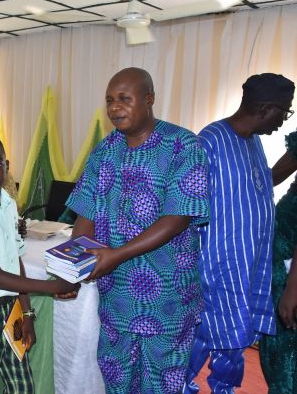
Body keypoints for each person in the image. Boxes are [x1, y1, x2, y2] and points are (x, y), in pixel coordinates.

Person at [66, 67, 209, 394]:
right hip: (116, 299)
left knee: (161, 384)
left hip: (168, 300)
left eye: (124, 99)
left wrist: (116, 255)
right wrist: (73, 266)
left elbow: (178, 217)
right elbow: (87, 212)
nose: (115, 107)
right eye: (109, 100)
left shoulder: (183, 145)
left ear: (149, 99)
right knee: (116, 381)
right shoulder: (105, 150)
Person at [183, 73, 295, 394]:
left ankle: (223, 389)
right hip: (216, 271)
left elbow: (256, 190)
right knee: (198, 344)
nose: (283, 122)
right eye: (284, 112)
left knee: (234, 344)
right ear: (265, 109)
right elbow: (188, 207)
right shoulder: (210, 141)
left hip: (248, 269)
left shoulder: (254, 142)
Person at [0, 135, 79, 393]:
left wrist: (26, 312)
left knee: (22, 384)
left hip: (10, 306)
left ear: (7, 166)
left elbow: (15, 261)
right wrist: (54, 287)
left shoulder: (9, 204)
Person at [260, 130, 297, 394]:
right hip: (281, 264)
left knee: (286, 361)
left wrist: (293, 287)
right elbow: (269, 179)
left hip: (290, 274)